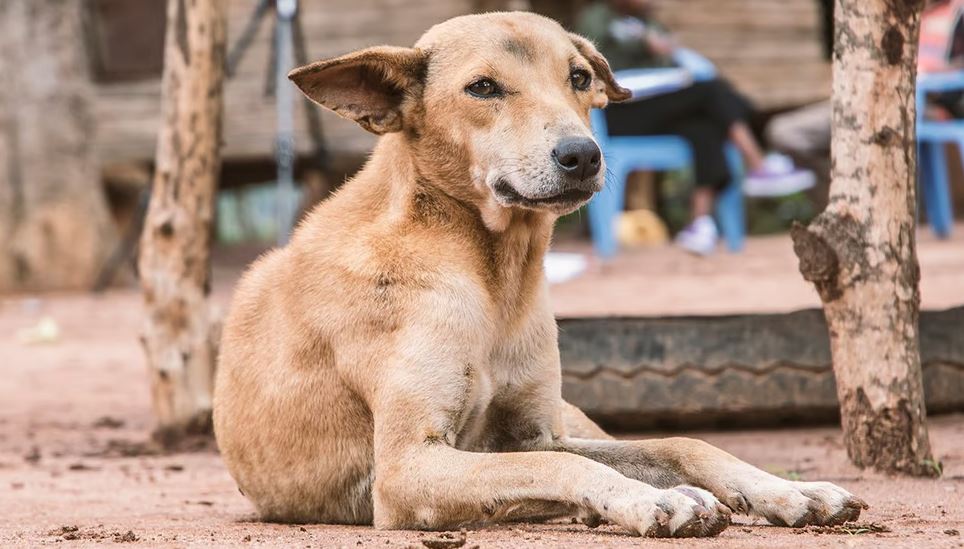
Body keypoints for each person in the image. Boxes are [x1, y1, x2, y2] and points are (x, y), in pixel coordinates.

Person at [577, 0, 815, 255]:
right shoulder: (597, 18)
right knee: (711, 90)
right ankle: (757, 163)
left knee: (703, 127)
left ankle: (698, 222)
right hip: (618, 112)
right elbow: (591, 62)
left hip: (658, 107)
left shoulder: (649, 22)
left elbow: (672, 59)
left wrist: (663, 48)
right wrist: (644, 42)